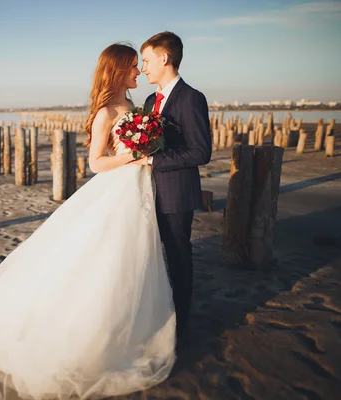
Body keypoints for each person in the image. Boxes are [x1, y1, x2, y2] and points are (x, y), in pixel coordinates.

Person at [0, 43, 176, 400]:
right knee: (106, 257)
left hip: (136, 189)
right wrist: (135, 159)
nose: (138, 72)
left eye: (140, 66)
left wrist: (142, 154)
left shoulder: (135, 108)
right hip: (118, 186)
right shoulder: (107, 111)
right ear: (118, 70)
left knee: (133, 257)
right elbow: (95, 163)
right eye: (133, 67)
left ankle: (132, 326)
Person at [114, 32, 212, 337]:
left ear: (164, 59)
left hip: (176, 193)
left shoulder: (191, 97)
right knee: (146, 255)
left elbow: (200, 151)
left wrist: (153, 161)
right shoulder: (148, 100)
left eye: (146, 60)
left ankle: (180, 322)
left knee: (178, 256)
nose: (143, 68)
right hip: (146, 192)